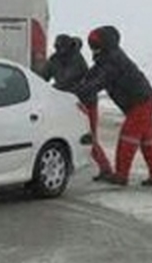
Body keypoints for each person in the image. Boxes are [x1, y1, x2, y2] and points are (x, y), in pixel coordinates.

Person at [74, 25, 152, 187]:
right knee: (148, 140)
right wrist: (80, 83)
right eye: (91, 45)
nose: (93, 49)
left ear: (105, 44)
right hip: (140, 101)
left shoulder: (113, 61)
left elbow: (99, 81)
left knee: (128, 137)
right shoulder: (107, 58)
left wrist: (78, 91)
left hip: (140, 102)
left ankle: (121, 175)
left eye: (95, 45)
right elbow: (93, 75)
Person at [42, 34, 114, 179]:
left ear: (69, 47)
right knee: (61, 135)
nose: (59, 50)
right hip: (66, 103)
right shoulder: (54, 59)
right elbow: (43, 76)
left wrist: (52, 90)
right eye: (57, 47)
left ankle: (105, 168)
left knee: (89, 136)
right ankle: (70, 163)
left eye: (61, 48)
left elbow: (66, 81)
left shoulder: (77, 60)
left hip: (86, 103)